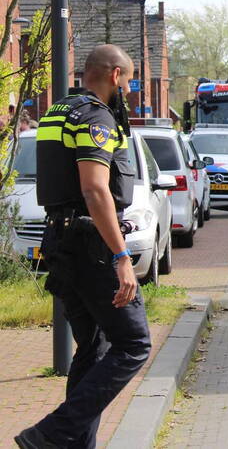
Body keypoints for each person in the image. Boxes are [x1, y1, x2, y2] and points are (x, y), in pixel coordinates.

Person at [16, 44, 151, 449]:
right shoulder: (96, 117)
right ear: (114, 75)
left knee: (93, 346)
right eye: (127, 80)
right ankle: (50, 434)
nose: (127, 88)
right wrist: (122, 257)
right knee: (133, 344)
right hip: (91, 245)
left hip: (59, 241)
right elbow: (95, 189)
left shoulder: (58, 110)